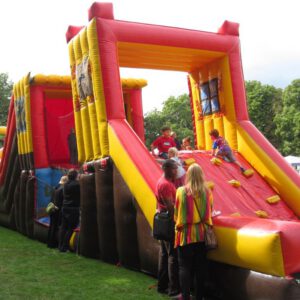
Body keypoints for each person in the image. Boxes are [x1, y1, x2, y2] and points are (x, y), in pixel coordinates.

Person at [174, 163, 213, 300]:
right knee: (200, 268)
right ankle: (199, 297)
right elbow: (210, 211)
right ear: (201, 175)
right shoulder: (207, 192)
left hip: (185, 235)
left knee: (184, 267)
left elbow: (176, 213)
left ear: (188, 176)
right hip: (202, 235)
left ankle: (185, 296)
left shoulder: (181, 191)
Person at [156, 159, 180, 297]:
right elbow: (171, 209)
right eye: (175, 168)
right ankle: (173, 289)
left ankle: (162, 286)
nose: (177, 171)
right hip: (168, 223)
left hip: (163, 222)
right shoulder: (166, 185)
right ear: (167, 169)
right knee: (172, 256)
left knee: (164, 254)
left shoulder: (163, 182)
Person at [58, 169, 80, 252]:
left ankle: (60, 246)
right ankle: (65, 246)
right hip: (73, 208)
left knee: (63, 227)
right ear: (75, 176)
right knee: (71, 228)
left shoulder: (66, 184)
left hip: (65, 207)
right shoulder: (77, 185)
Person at [47, 175, 68, 248]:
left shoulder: (56, 187)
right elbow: (60, 201)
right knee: (55, 227)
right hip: (57, 210)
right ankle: (53, 243)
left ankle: (49, 243)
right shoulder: (62, 189)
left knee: (52, 226)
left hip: (52, 209)